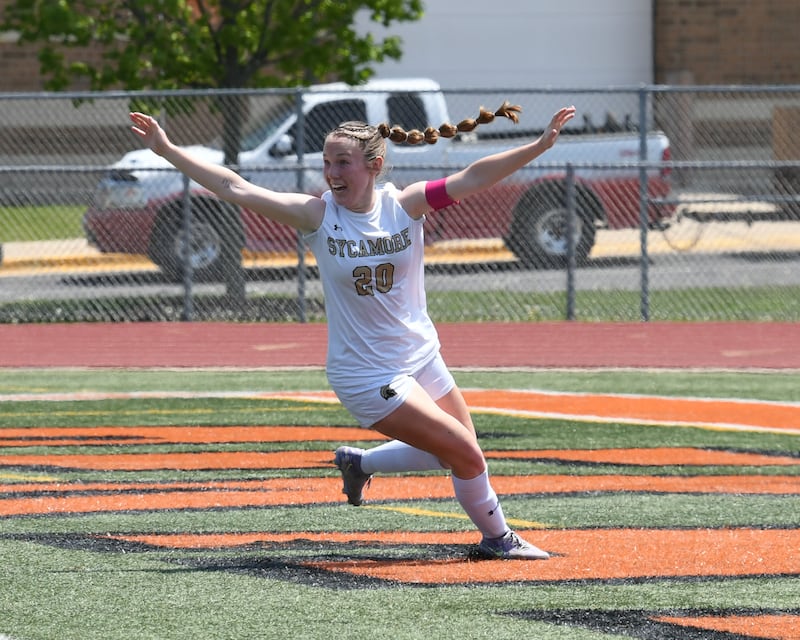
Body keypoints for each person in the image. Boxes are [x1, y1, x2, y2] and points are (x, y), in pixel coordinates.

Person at [130, 99, 576, 560]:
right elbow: (234, 187)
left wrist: (539, 146)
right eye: (326, 162)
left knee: (456, 454)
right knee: (466, 453)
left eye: (342, 162)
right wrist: (167, 149)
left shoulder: (406, 204)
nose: (331, 172)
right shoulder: (319, 216)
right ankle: (497, 540)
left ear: (375, 165)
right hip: (366, 374)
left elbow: (476, 177)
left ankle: (358, 463)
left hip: (420, 355)